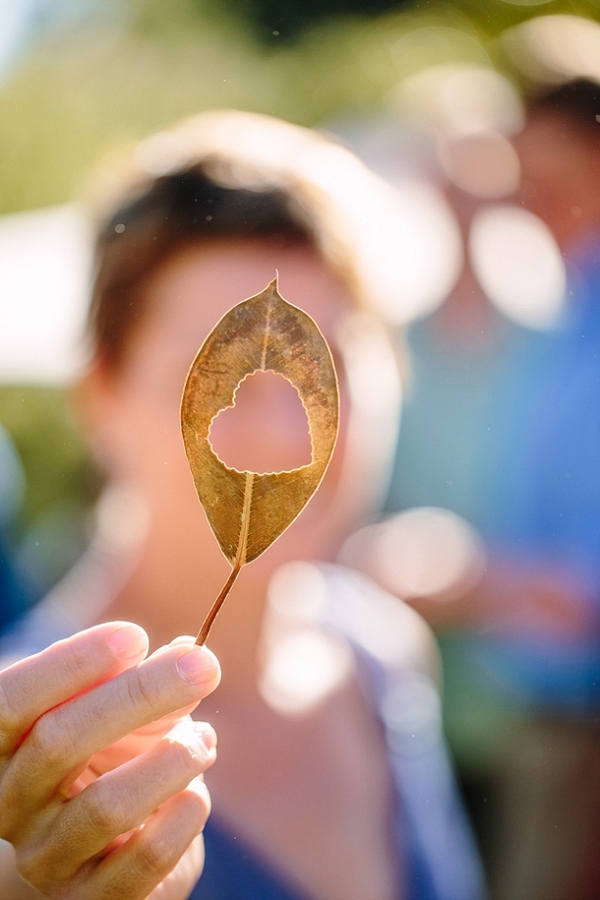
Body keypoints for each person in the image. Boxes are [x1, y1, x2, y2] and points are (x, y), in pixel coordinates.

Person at [0, 111, 484, 900]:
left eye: (329, 367)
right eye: (217, 378)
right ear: (101, 396)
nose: (290, 435)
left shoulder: (381, 652)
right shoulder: (35, 751)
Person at [345, 78, 600, 900]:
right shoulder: (556, 327)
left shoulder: (553, 338)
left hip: (540, 719)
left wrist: (474, 580)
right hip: (439, 712)